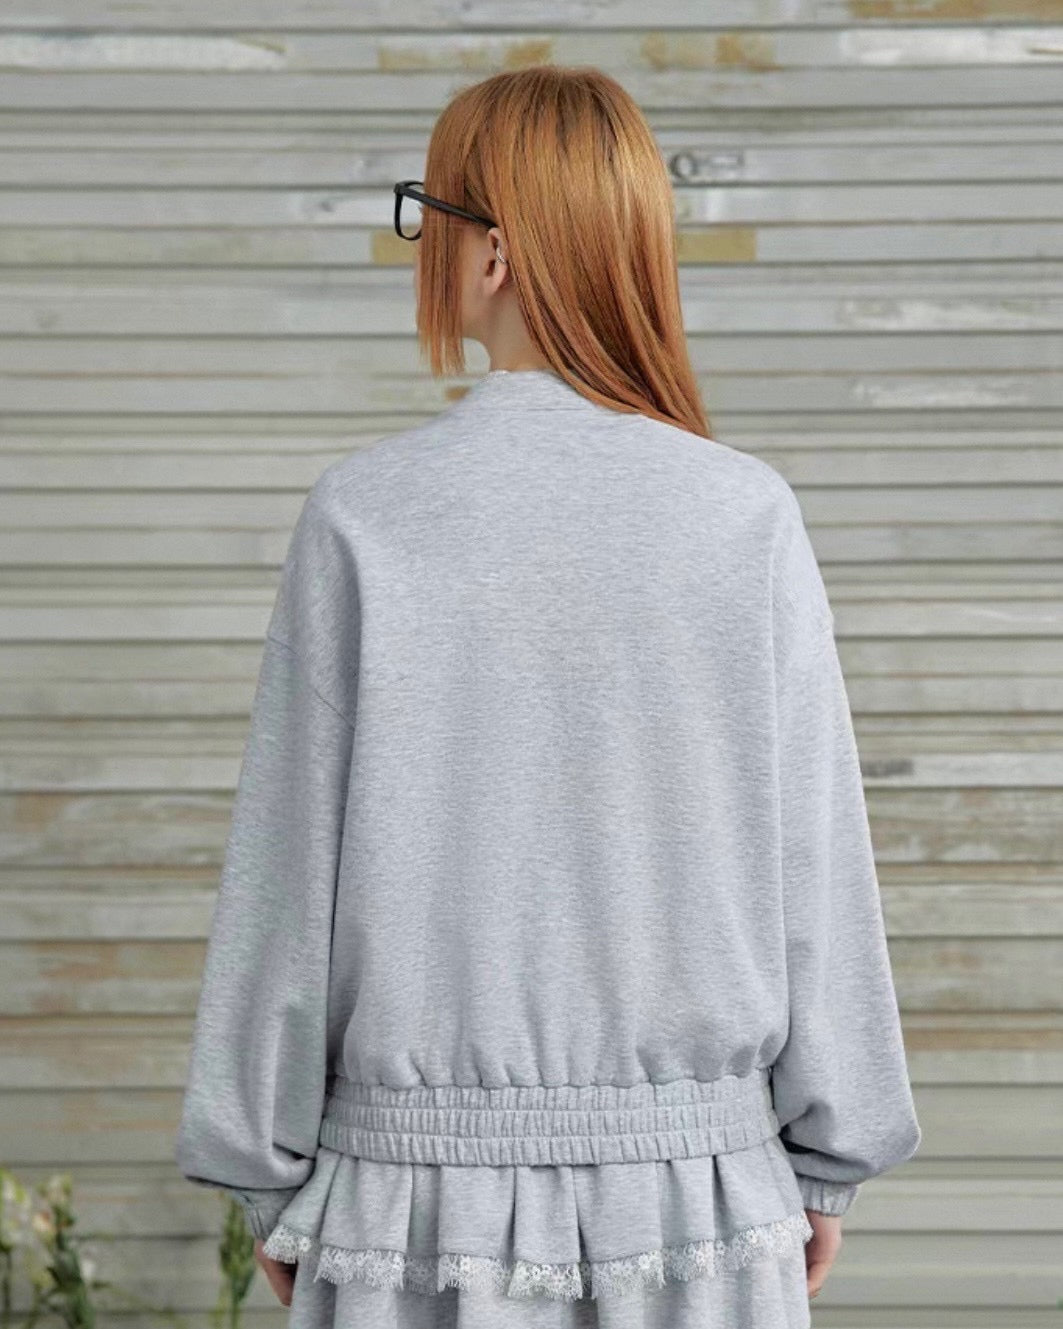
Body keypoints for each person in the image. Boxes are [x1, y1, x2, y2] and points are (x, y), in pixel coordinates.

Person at [174, 64, 921, 1329]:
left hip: (411, 1219)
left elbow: (285, 880)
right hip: (698, 1212)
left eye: (427, 213)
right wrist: (828, 1157)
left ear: (495, 249)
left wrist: (263, 1167)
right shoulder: (744, 516)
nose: (420, 246)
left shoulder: (365, 515)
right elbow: (818, 865)